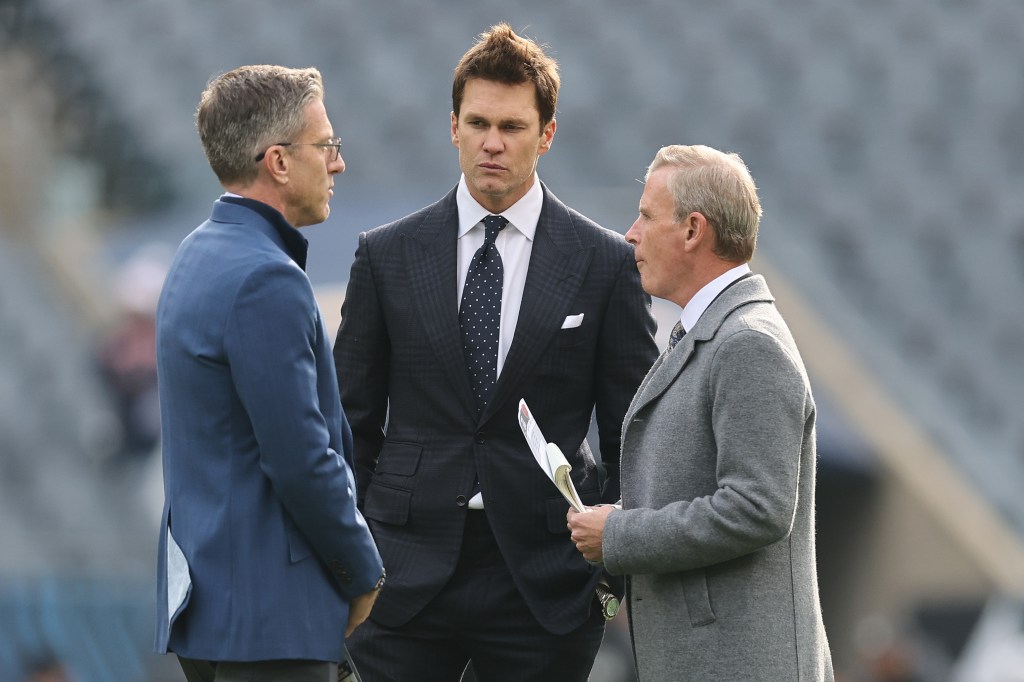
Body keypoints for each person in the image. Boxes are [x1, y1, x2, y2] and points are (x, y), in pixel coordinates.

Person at [333, 23, 659, 682]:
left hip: (546, 581)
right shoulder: (386, 256)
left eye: (512, 126)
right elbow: (349, 424)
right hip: (403, 574)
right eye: (477, 122)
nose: (492, 142)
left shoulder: (604, 264)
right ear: (452, 125)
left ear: (547, 134)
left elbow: (637, 432)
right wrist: (357, 553)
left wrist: (606, 578)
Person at [567, 144, 835, 680]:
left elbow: (758, 507)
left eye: (645, 215)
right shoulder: (713, 335)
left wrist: (619, 534)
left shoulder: (747, 344)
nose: (631, 234)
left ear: (693, 230)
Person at [154, 65, 384, 682]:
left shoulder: (195, 253)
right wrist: (362, 571)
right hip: (270, 621)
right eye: (327, 146)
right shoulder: (266, 278)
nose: (337, 164)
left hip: (211, 611)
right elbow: (300, 457)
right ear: (278, 162)